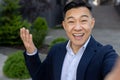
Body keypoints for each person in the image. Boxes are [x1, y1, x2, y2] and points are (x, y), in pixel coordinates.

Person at [20, 0, 119, 80]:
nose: (77, 27)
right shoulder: (56, 50)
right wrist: (31, 51)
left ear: (92, 23)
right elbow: (40, 77)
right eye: (71, 21)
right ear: (64, 25)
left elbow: (112, 69)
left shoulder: (104, 53)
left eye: (83, 20)